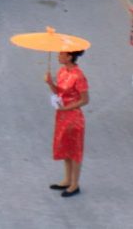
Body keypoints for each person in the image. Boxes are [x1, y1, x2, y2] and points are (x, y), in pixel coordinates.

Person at [44, 50, 89, 197]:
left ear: (69, 57)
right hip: (62, 116)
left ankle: (75, 184)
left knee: (74, 151)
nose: (58, 56)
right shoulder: (62, 71)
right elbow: (59, 92)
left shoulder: (78, 75)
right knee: (65, 147)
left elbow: (85, 100)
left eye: (61, 54)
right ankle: (67, 179)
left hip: (74, 118)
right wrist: (50, 83)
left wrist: (66, 108)